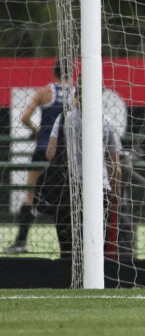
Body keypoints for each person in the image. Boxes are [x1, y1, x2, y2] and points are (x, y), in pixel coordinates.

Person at [4, 61, 74, 255]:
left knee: (31, 195)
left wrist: (36, 131)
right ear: (72, 72)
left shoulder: (45, 92)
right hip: (66, 153)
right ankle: (74, 242)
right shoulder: (77, 94)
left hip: (43, 149)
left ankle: (21, 242)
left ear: (54, 72)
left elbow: (25, 116)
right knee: (67, 196)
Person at [36, 104, 122, 260]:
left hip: (69, 187)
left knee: (68, 248)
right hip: (99, 189)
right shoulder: (105, 121)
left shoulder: (64, 119)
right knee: (97, 247)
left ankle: (68, 279)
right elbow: (115, 165)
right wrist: (116, 193)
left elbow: (50, 153)